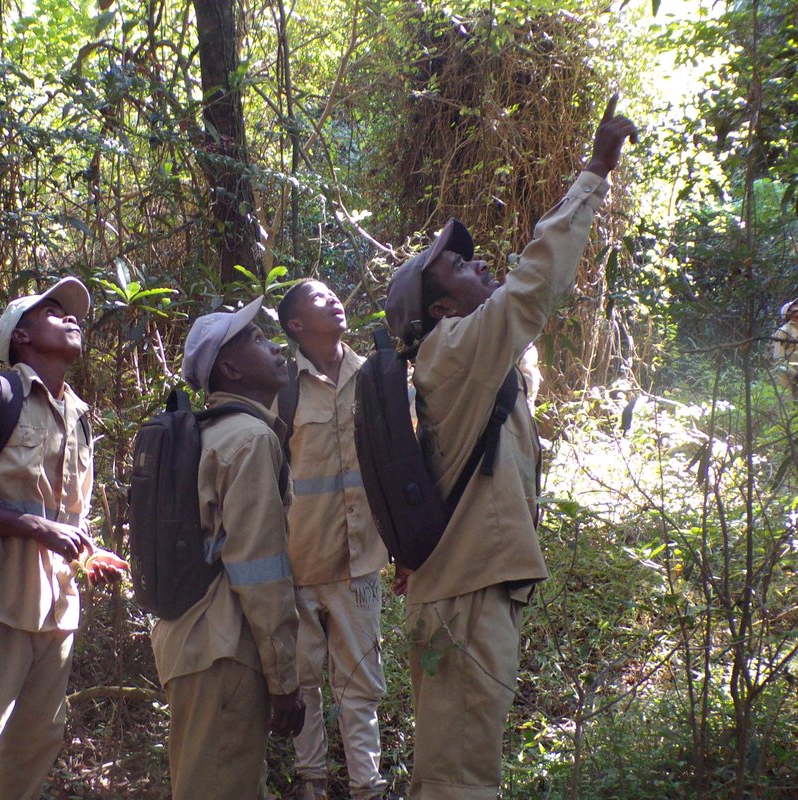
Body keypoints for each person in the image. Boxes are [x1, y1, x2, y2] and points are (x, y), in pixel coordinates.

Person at [381, 98, 636, 799]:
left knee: (450, 766)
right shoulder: (457, 349)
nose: (479, 262)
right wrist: (594, 172)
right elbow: (534, 284)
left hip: (463, 592)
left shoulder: (463, 360)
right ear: (441, 308)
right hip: (464, 600)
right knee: (461, 779)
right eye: (460, 266)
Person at [0, 276, 126, 799]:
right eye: (53, 311)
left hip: (55, 611)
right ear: (21, 335)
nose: (71, 317)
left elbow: (67, 517)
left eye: (72, 312)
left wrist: (85, 551)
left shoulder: (80, 416)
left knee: (35, 750)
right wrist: (42, 530)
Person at [151, 297, 305, 800]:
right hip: (223, 651)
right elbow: (259, 570)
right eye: (258, 340)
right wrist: (283, 677)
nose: (275, 348)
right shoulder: (250, 439)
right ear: (231, 368)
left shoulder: (208, 434)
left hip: (192, 643)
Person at [277, 280, 394, 800]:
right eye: (319, 300)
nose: (335, 301)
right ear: (296, 324)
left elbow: (396, 460)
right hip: (299, 561)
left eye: (333, 296)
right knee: (304, 679)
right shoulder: (283, 389)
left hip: (360, 558)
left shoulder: (372, 376)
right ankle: (312, 781)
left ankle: (367, 785)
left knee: (360, 683)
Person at [772, 298, 798, 390]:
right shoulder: (783, 331)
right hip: (786, 376)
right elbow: (778, 359)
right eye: (794, 307)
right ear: (788, 313)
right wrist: (795, 374)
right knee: (787, 402)